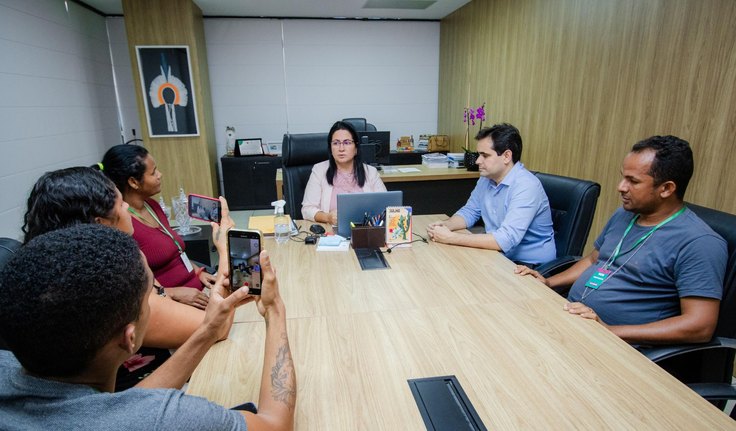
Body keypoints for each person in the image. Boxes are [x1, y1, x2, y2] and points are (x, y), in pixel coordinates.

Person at [0, 224, 296, 430]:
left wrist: (207, 330)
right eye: (152, 294)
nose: (159, 294)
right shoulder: (169, 419)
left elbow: (123, 410)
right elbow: (275, 425)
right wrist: (274, 309)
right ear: (130, 339)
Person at [516, 135, 727, 344]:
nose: (621, 187)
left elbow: (700, 326)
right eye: (623, 177)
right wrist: (548, 282)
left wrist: (609, 330)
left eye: (633, 181)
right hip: (574, 321)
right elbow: (593, 260)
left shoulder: (700, 242)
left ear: (666, 189)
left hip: (620, 347)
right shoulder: (625, 214)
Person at [21, 167, 210, 390]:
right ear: (100, 224)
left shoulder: (47, 269)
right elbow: (206, 327)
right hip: (135, 394)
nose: (128, 207)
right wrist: (224, 253)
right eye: (121, 204)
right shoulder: (112, 282)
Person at [101, 144, 213, 310]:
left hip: (198, 290)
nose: (160, 175)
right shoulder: (121, 224)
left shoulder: (152, 205)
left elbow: (175, 252)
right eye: (153, 173)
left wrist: (197, 272)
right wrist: (173, 293)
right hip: (171, 305)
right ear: (133, 182)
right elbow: (131, 290)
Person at [426, 123, 556, 266]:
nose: (477, 161)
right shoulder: (486, 179)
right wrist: (446, 225)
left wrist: (451, 237)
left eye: (485, 156)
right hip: (498, 255)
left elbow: (506, 239)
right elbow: (470, 211)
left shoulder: (526, 186)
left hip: (529, 265)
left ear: (507, 156)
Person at [302, 121, 387, 225]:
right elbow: (307, 210)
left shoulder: (370, 172)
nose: (341, 149)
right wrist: (327, 217)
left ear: (356, 148)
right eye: (336, 143)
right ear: (330, 148)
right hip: (331, 233)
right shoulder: (319, 170)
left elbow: (385, 207)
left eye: (347, 143)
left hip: (365, 231)